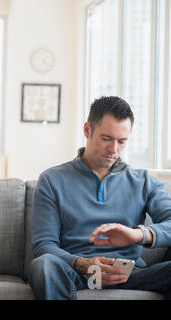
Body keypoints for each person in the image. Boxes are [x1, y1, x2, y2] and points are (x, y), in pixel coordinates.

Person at [29, 96, 171, 300]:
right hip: (75, 273)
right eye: (106, 139)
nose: (114, 150)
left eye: (122, 141)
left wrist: (138, 235)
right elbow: (43, 246)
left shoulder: (144, 182)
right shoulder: (52, 180)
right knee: (43, 265)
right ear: (87, 130)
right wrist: (83, 264)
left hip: (130, 274)